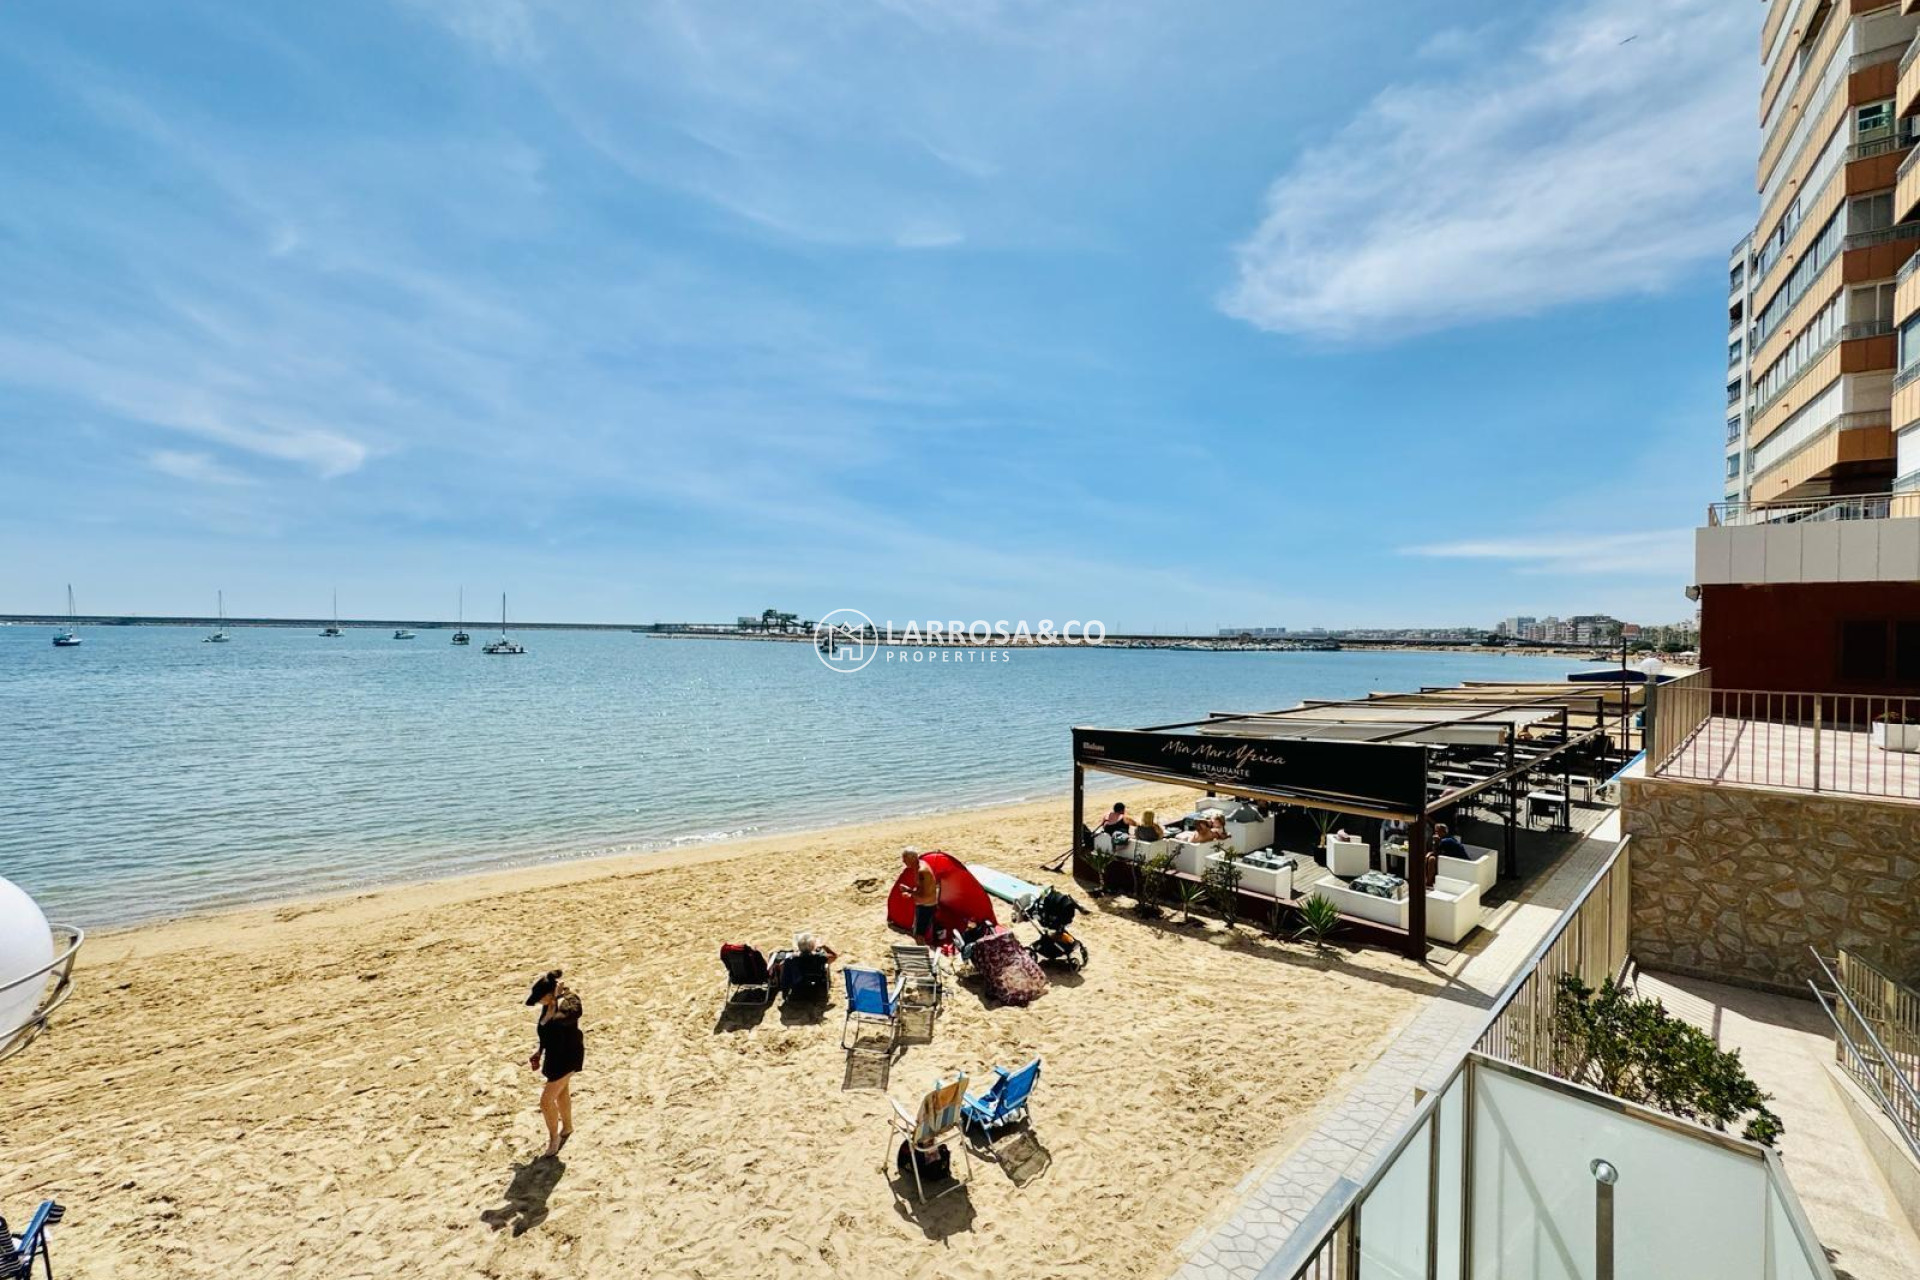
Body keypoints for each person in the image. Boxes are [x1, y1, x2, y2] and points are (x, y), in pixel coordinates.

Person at [525, 969, 584, 1159]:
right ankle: (567, 1128)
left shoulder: (569, 1001)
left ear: (551, 993)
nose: (539, 1002)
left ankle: (553, 1139)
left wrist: (558, 999)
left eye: (541, 998)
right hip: (554, 1057)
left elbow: (560, 1021)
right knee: (561, 1093)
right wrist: (539, 1050)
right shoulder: (548, 1004)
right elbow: (546, 1030)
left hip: (568, 1056)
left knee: (546, 1101)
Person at [771, 931, 839, 994]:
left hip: (797, 987)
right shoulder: (819, 957)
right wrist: (824, 946)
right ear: (813, 947)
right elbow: (834, 956)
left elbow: (781, 965)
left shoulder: (791, 959)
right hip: (815, 985)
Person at [903, 847, 941, 943]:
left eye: (905, 858)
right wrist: (909, 890)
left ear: (913, 858)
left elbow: (924, 897)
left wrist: (910, 894)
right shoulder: (918, 866)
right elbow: (921, 889)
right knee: (918, 930)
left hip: (927, 905)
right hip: (925, 903)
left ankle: (923, 953)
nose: (903, 861)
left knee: (919, 935)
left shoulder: (922, 871)